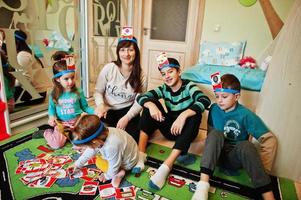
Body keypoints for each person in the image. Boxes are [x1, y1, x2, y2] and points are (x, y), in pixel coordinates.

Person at [192, 74, 277, 200]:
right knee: (215, 133)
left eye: (224, 97)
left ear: (236, 96)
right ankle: (202, 186)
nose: (219, 100)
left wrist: (261, 168)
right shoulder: (214, 109)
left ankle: (268, 196)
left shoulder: (246, 115)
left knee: (246, 145)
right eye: (217, 96)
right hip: (215, 157)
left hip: (234, 159)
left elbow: (270, 140)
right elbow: (210, 135)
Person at [132, 54, 211, 191]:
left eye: (170, 71)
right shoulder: (164, 88)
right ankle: (141, 154)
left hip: (186, 132)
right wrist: (151, 106)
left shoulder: (188, 86)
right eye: (163, 74)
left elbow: (205, 100)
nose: (167, 76)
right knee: (150, 103)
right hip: (170, 128)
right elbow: (141, 97)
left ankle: (166, 166)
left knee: (196, 114)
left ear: (179, 71)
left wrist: (184, 114)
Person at [94, 27, 147, 142]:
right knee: (102, 139)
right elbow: (98, 91)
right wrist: (100, 105)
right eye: (122, 50)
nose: (126, 54)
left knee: (129, 142)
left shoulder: (141, 75)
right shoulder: (109, 68)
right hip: (108, 110)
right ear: (118, 52)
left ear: (136, 52)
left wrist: (127, 118)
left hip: (128, 111)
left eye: (130, 50)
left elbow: (140, 101)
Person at [33, 51, 94, 149]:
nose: (70, 81)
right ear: (57, 79)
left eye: (72, 77)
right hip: (61, 124)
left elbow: (85, 107)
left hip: (77, 123)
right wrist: (51, 117)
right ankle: (46, 132)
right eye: (66, 79)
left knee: (82, 144)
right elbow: (51, 109)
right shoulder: (54, 93)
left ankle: (70, 137)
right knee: (56, 145)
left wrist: (95, 112)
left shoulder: (78, 91)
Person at [67, 114, 139, 188]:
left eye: (86, 146)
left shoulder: (111, 146)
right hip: (128, 154)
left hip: (128, 163)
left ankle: (121, 172)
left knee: (99, 162)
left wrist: (107, 176)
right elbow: (90, 151)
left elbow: (113, 166)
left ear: (94, 141)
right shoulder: (104, 132)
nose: (86, 148)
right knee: (100, 158)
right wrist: (77, 164)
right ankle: (120, 170)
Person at [13, 29, 52, 105]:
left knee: (5, 97)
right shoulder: (25, 53)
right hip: (38, 92)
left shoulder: (22, 55)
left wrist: (10, 84)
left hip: (37, 94)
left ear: (16, 42)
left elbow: (25, 79)